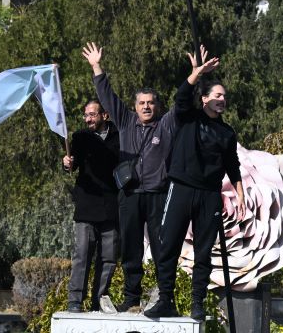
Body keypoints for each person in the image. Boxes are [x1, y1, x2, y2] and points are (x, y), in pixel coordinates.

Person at [145, 48, 245, 321]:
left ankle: (197, 302)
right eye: (217, 95)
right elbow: (180, 97)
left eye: (225, 96)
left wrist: (240, 193)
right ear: (204, 99)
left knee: (204, 252)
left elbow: (232, 164)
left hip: (209, 194)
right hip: (181, 188)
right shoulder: (189, 117)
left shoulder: (226, 132)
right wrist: (197, 73)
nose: (222, 99)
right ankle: (166, 299)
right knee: (168, 245)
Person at [81, 42, 181, 313]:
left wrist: (194, 75)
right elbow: (106, 95)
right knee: (131, 250)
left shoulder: (166, 124)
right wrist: (96, 66)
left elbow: (182, 102)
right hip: (129, 196)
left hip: (157, 195)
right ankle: (132, 297)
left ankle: (164, 297)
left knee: (162, 249)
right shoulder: (125, 121)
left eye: (150, 103)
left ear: (157, 106)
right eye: (141, 103)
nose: (146, 107)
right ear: (135, 106)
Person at [62, 100, 120, 313]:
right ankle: (75, 301)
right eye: (86, 115)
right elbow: (72, 164)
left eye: (92, 115)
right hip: (86, 206)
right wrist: (66, 163)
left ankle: (99, 300)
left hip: (111, 207)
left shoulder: (120, 136)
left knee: (109, 258)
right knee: (82, 255)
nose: (88, 119)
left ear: (105, 115)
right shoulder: (80, 138)